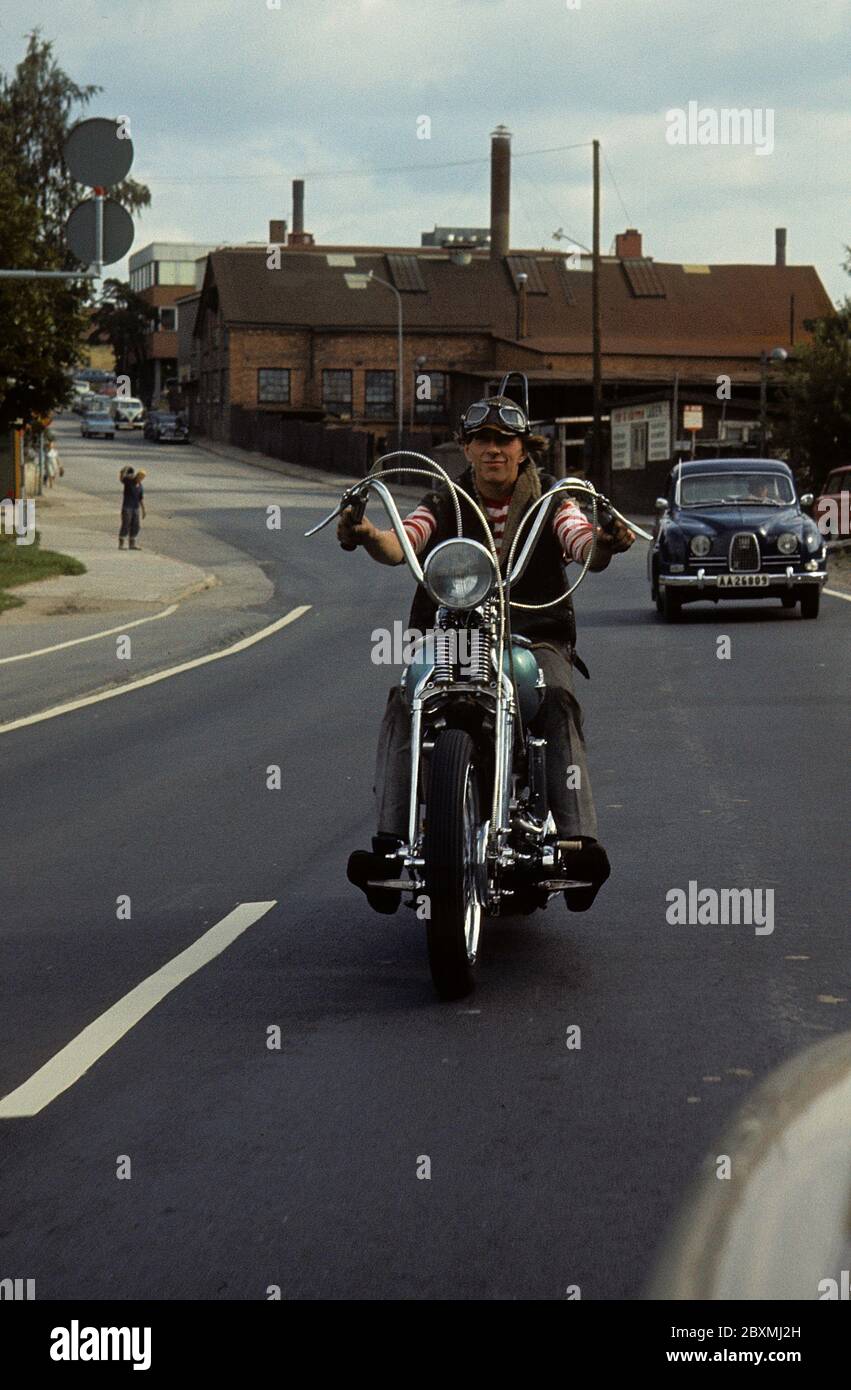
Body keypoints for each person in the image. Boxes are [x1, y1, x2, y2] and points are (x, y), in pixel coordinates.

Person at [339, 394, 635, 913]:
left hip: (533, 632)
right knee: (408, 697)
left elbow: (583, 543)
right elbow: (401, 544)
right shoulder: (445, 501)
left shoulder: (551, 501)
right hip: (456, 631)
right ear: (467, 447)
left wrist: (606, 542)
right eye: (483, 440)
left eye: (505, 440)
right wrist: (366, 535)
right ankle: (388, 844)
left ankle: (577, 843)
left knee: (558, 697)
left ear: (524, 449)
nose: (494, 449)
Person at [118, 467, 147, 549]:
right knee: (126, 524)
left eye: (143, 477)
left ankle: (132, 544)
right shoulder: (129, 482)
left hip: (135, 508)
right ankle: (121, 544)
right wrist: (123, 471)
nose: (141, 478)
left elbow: (140, 498)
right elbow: (121, 479)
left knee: (136, 525)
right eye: (140, 476)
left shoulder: (140, 486)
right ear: (137, 475)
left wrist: (143, 509)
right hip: (127, 507)